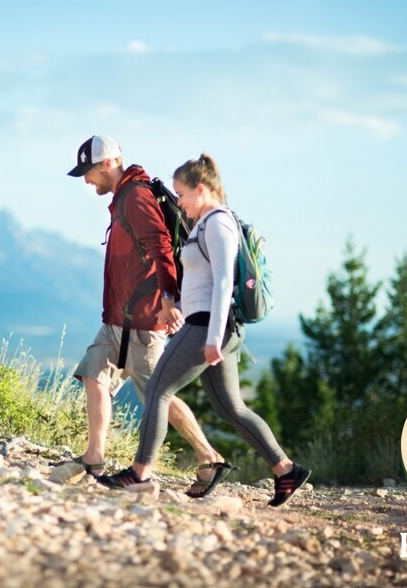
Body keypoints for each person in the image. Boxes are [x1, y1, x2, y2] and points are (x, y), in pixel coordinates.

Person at [98, 153, 311, 507]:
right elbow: (202, 281)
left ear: (201, 189)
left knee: (157, 390)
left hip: (210, 327)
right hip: (207, 324)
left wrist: (213, 338)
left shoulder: (219, 223)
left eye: (182, 194)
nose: (178, 201)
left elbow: (224, 282)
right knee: (231, 408)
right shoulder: (204, 224)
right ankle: (286, 470)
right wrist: (177, 307)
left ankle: (139, 473)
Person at [65, 135, 225, 497]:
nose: (86, 180)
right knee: (93, 372)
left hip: (144, 320)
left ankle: (209, 458)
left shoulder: (136, 196)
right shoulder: (124, 196)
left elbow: (160, 246)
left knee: (157, 394)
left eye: (89, 171)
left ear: (109, 163)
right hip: (118, 319)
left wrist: (169, 298)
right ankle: (94, 457)